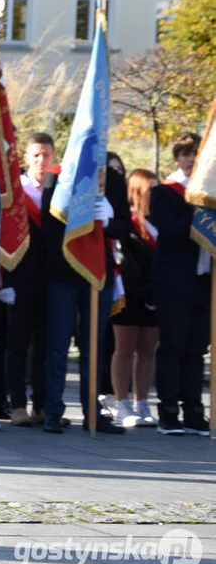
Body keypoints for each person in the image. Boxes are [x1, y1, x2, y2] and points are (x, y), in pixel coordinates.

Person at [42, 149, 131, 434]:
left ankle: (93, 412)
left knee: (95, 345)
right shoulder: (56, 178)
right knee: (57, 345)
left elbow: (124, 227)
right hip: (62, 270)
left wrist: (108, 221)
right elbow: (48, 226)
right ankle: (52, 411)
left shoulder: (112, 179)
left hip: (97, 273)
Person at [150, 132, 211, 436]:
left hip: (203, 282)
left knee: (196, 350)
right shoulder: (164, 191)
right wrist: (196, 202)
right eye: (185, 154)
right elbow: (170, 231)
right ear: (177, 158)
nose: (190, 159)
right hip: (174, 283)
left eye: (195, 154)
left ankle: (194, 411)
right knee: (173, 347)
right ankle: (168, 411)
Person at [2, 133, 56, 427]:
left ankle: (42, 404)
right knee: (18, 342)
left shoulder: (58, 188)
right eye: (36, 155)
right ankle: (18, 403)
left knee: (46, 343)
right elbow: (5, 238)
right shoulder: (16, 191)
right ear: (26, 158)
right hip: (20, 278)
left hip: (51, 279)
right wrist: (6, 281)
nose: (41, 160)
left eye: (46, 155)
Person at [108, 168, 160, 427]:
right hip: (129, 294)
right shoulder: (127, 224)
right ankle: (122, 402)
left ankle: (142, 401)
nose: (155, 194)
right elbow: (126, 264)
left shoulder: (159, 221)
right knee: (125, 349)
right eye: (151, 189)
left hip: (154, 295)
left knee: (148, 350)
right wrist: (142, 288)